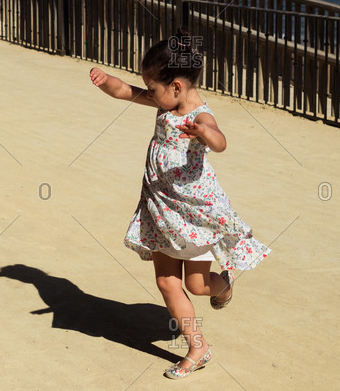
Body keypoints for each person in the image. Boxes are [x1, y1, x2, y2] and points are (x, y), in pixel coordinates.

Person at [89, 27, 271, 380]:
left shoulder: (199, 115)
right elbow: (125, 92)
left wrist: (205, 134)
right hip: (160, 209)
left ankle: (226, 285)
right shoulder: (165, 102)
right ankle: (197, 346)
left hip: (193, 215)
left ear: (176, 87)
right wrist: (105, 80)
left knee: (197, 286)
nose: (150, 95)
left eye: (154, 89)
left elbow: (219, 141)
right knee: (167, 283)